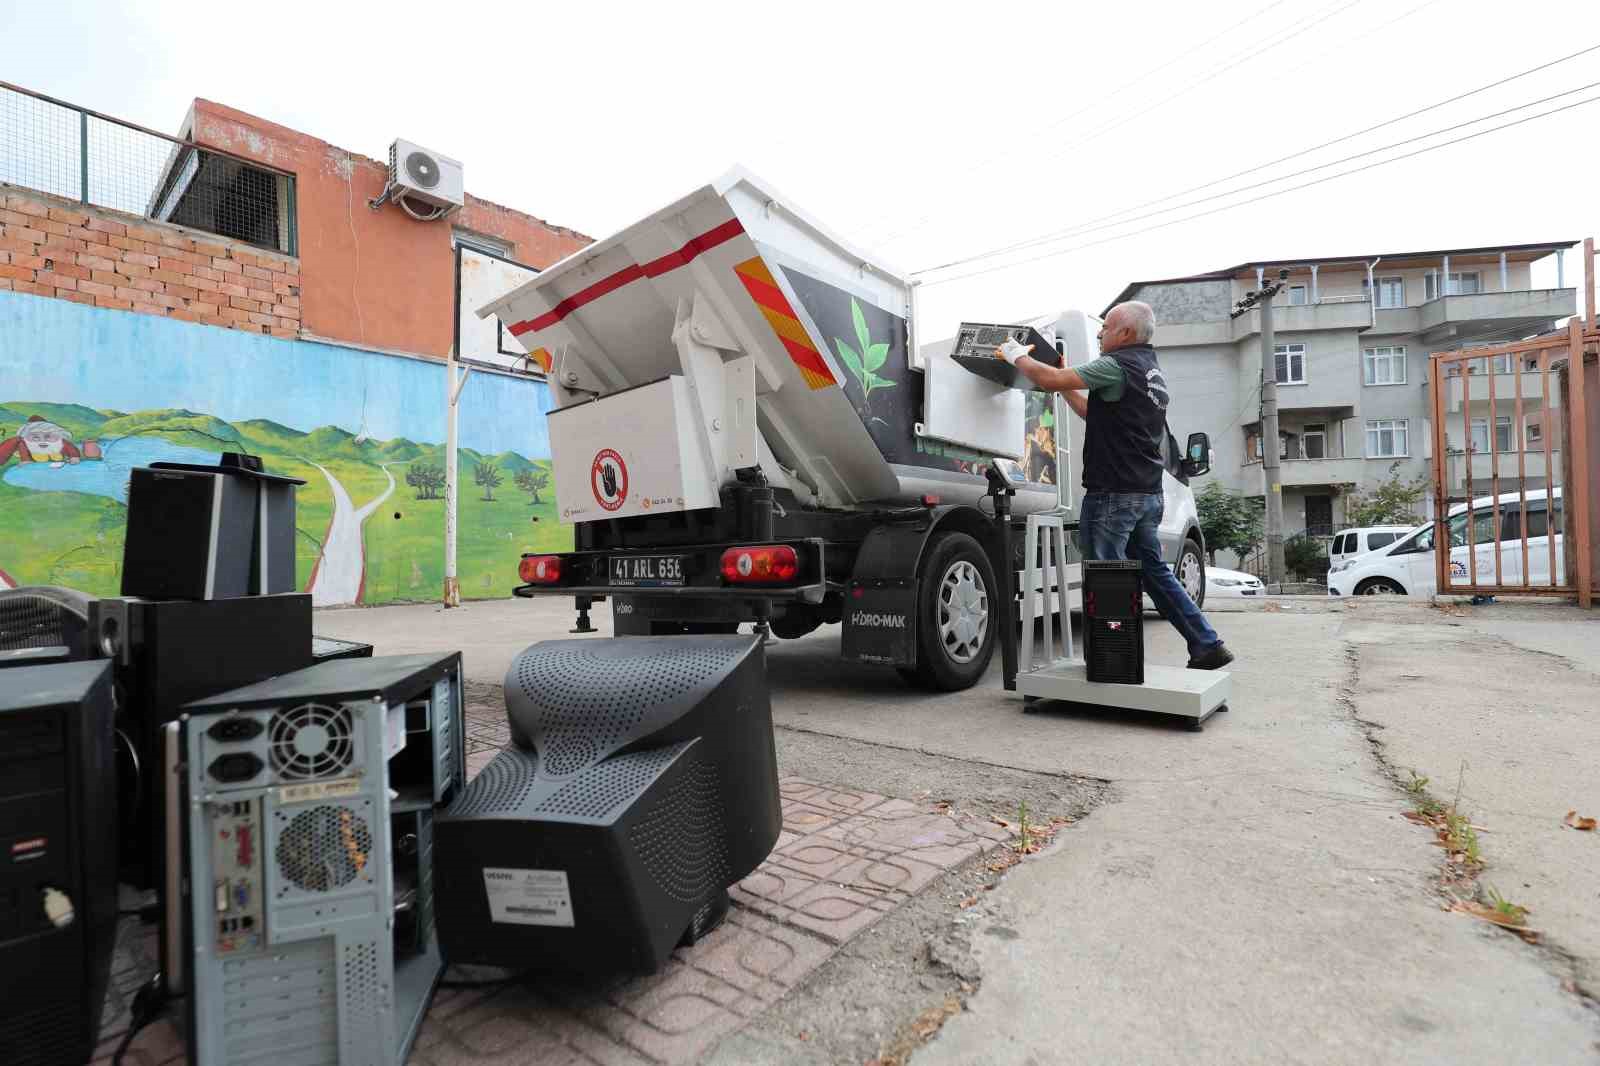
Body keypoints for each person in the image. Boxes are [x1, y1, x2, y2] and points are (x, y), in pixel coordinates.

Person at [996, 302, 1233, 670]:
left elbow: (1047, 380)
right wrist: (1065, 385)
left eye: (1106, 327)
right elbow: (1095, 412)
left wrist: (1014, 354)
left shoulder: (1117, 365)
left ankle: (1113, 660)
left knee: (1107, 582)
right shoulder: (1151, 371)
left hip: (1113, 496)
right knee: (1154, 573)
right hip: (1146, 496)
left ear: (1124, 333)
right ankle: (1206, 643)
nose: (1100, 333)